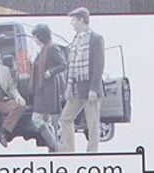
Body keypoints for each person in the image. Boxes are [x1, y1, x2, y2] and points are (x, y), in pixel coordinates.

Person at [57, 7, 105, 153]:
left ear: (82, 20)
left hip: (90, 89)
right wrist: (68, 87)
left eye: (74, 20)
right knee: (65, 118)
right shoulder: (76, 40)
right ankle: (68, 151)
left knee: (92, 124)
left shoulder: (96, 39)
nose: (72, 23)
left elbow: (99, 65)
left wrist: (93, 89)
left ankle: (92, 154)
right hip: (76, 89)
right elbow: (72, 65)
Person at [29, 24, 68, 150]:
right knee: (46, 120)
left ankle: (56, 146)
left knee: (37, 119)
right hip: (42, 89)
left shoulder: (52, 48)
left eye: (35, 36)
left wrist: (50, 72)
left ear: (41, 36)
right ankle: (54, 148)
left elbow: (63, 64)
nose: (34, 39)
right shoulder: (42, 49)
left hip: (47, 90)